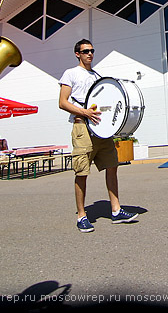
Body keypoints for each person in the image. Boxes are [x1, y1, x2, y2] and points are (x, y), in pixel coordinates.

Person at [58, 39, 137, 232]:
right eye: (85, 51)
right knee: (82, 173)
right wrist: (84, 112)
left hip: (101, 130)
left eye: (92, 51)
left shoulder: (97, 75)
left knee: (112, 167)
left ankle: (116, 210)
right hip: (82, 127)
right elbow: (62, 102)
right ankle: (81, 216)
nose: (90, 54)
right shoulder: (71, 73)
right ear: (77, 53)